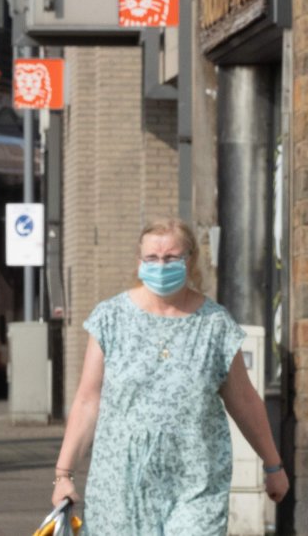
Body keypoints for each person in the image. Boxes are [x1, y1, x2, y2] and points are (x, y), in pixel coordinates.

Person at [51, 217, 289, 534]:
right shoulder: (111, 319)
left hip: (196, 484)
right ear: (139, 262)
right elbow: (87, 401)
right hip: (121, 487)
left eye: (172, 258)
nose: (161, 266)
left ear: (190, 262)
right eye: (152, 258)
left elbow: (244, 400)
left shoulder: (214, 325)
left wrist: (273, 465)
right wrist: (63, 474)